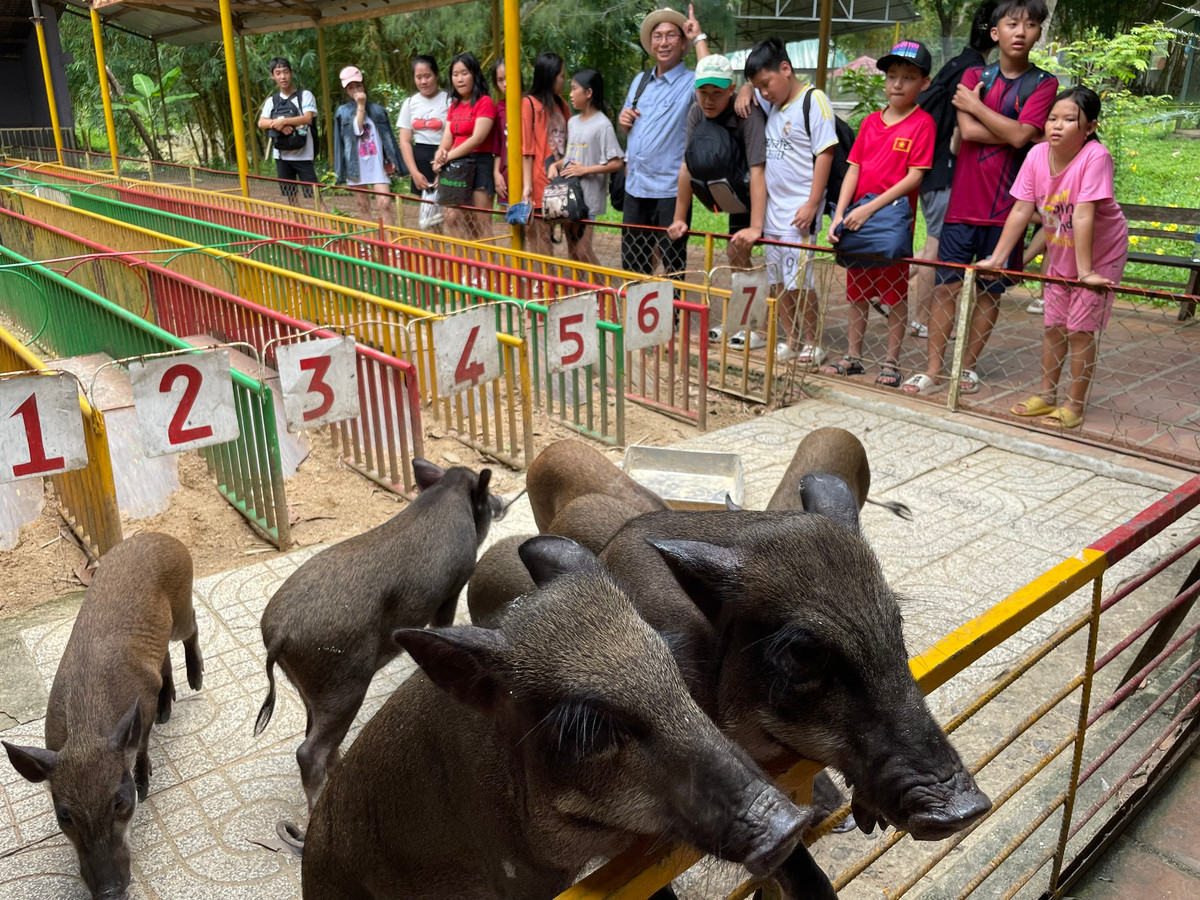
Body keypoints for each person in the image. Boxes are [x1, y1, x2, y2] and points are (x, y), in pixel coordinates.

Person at [902, 0, 1058, 396]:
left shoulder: (1044, 84)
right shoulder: (974, 73)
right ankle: (934, 370)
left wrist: (977, 107)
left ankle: (966, 368)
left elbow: (1023, 137)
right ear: (995, 33)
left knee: (990, 292)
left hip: (1010, 209)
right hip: (963, 203)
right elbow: (970, 133)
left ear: (1039, 32)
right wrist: (1012, 129)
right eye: (1012, 23)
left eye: (1030, 25)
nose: (1021, 32)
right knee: (945, 287)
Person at [978, 86, 1127, 429]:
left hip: (1101, 254)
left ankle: (1074, 404)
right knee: (1054, 327)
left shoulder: (1095, 157)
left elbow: (1084, 214)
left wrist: (1086, 271)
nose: (1056, 126)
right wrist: (998, 258)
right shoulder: (1036, 156)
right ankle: (1046, 397)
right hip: (1063, 246)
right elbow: (1020, 209)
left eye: (1069, 120)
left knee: (1079, 329)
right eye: (1051, 118)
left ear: (1089, 128)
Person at [824, 41, 935, 388]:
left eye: (908, 77)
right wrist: (840, 214)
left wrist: (870, 209)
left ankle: (891, 361)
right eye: (892, 76)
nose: (898, 84)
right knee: (856, 291)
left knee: (894, 294)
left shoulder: (923, 124)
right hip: (857, 220)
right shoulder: (871, 122)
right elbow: (853, 170)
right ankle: (854, 357)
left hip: (890, 224)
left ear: (924, 83)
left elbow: (915, 177)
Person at [736, 37, 836, 365]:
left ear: (786, 69)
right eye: (759, 87)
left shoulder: (814, 100)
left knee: (800, 281)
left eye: (767, 84)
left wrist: (811, 203)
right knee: (779, 281)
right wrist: (747, 89)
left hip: (799, 214)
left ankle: (812, 340)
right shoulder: (772, 104)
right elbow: (751, 93)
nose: (765, 92)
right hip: (774, 214)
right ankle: (790, 338)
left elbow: (825, 153)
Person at [909, 2, 997, 338]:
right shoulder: (974, 73)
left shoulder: (957, 63)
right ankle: (919, 317)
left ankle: (897, 286)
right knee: (936, 244)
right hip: (946, 169)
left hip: (932, 169)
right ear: (994, 31)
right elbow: (962, 134)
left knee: (933, 240)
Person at [619, 4, 710, 276]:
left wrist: (699, 38)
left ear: (683, 44)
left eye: (672, 35)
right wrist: (625, 122)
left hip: (671, 190)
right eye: (658, 36)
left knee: (672, 265)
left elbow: (711, 77)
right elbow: (632, 126)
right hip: (636, 187)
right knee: (633, 264)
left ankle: (672, 316)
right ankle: (637, 318)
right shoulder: (640, 81)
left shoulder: (690, 82)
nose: (664, 42)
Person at [666, 53, 766, 284]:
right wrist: (679, 218)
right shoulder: (696, 112)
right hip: (736, 197)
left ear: (731, 89)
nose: (709, 101)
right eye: (703, 93)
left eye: (717, 94)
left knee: (758, 257)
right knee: (736, 255)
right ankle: (752, 317)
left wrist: (755, 227)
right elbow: (686, 166)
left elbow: (758, 170)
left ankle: (764, 313)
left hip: (765, 195)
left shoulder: (747, 114)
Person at [548, 68, 624, 266]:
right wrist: (556, 165)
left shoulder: (603, 125)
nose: (570, 94)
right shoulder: (572, 122)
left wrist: (585, 170)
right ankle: (581, 292)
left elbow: (616, 163)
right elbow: (571, 156)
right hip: (568, 193)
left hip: (589, 198)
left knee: (583, 250)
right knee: (572, 251)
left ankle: (606, 291)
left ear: (588, 93)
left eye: (574, 89)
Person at [434, 51, 496, 243]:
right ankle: (465, 267)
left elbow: (477, 138)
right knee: (453, 218)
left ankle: (488, 271)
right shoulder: (454, 106)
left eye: (464, 73)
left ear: (474, 75)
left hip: (479, 164)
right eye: (455, 74)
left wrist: (448, 156)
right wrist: (440, 155)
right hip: (455, 167)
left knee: (480, 222)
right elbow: (447, 138)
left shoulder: (485, 102)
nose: (459, 79)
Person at [333, 65, 403, 226]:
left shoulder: (377, 110)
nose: (355, 90)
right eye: (351, 87)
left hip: (377, 163)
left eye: (358, 85)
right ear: (346, 91)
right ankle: (370, 243)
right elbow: (356, 131)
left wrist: (390, 159)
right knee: (362, 205)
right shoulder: (342, 112)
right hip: (355, 165)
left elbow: (388, 139)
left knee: (385, 204)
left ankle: (390, 243)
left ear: (364, 85)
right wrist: (360, 106)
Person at [521, 51, 571, 257]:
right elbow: (527, 148)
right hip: (540, 180)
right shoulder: (529, 103)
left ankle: (561, 280)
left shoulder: (561, 104)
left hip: (562, 178)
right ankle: (543, 280)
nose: (564, 80)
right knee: (540, 234)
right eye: (561, 76)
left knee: (566, 233)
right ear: (550, 76)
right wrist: (527, 187)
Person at [256, 57, 318, 207]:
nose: (282, 77)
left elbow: (308, 118)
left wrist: (283, 121)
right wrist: (277, 125)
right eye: (278, 73)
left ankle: (326, 227)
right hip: (282, 156)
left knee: (315, 195)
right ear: (272, 76)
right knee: (291, 197)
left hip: (304, 155)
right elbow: (261, 123)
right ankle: (299, 227)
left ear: (291, 73)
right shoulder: (272, 101)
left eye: (285, 72)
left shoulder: (305, 95)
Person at [398, 55, 449, 202]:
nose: (423, 82)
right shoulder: (409, 103)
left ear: (437, 75)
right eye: (418, 77)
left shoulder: (449, 100)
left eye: (427, 76)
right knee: (428, 218)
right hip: (420, 161)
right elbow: (405, 141)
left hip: (445, 158)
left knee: (451, 215)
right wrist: (414, 173)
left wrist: (444, 172)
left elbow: (455, 137)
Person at [492, 60, 510, 208]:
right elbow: (498, 147)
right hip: (507, 176)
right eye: (500, 80)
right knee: (512, 225)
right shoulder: (499, 108)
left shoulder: (530, 103)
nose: (505, 84)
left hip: (530, 175)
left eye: (508, 77)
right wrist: (496, 173)